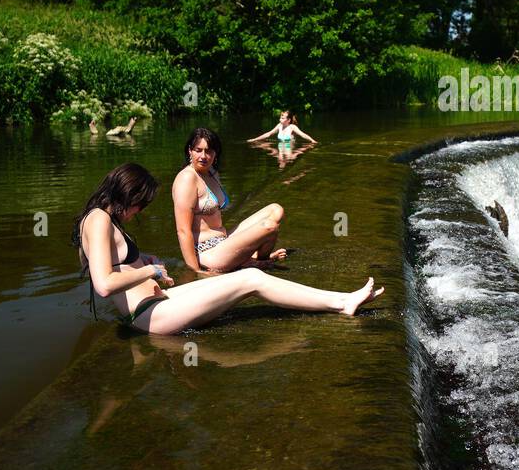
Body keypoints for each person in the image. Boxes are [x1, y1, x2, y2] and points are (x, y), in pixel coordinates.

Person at [73, 163, 381, 334]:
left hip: (158, 303)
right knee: (251, 280)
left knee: (235, 280)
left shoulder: (102, 218)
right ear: (128, 194)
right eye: (140, 204)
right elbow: (103, 285)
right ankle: (342, 303)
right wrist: (151, 271)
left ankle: (341, 300)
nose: (139, 211)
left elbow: (117, 265)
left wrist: (143, 260)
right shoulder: (99, 220)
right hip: (151, 315)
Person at [172, 128, 287, 273]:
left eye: (209, 151)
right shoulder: (187, 178)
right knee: (270, 227)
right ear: (190, 151)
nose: (203, 156)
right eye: (198, 150)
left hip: (223, 240)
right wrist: (196, 271)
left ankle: (250, 259)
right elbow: (182, 231)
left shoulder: (212, 173)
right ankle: (259, 262)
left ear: (215, 153)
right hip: (208, 252)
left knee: (276, 210)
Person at [248, 111, 318, 146]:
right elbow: (268, 134)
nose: (280, 119)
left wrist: (312, 141)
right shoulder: (279, 126)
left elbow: (303, 135)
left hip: (289, 150)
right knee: (262, 146)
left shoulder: (292, 127)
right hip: (280, 149)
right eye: (280, 117)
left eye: (282, 118)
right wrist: (255, 139)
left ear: (288, 120)